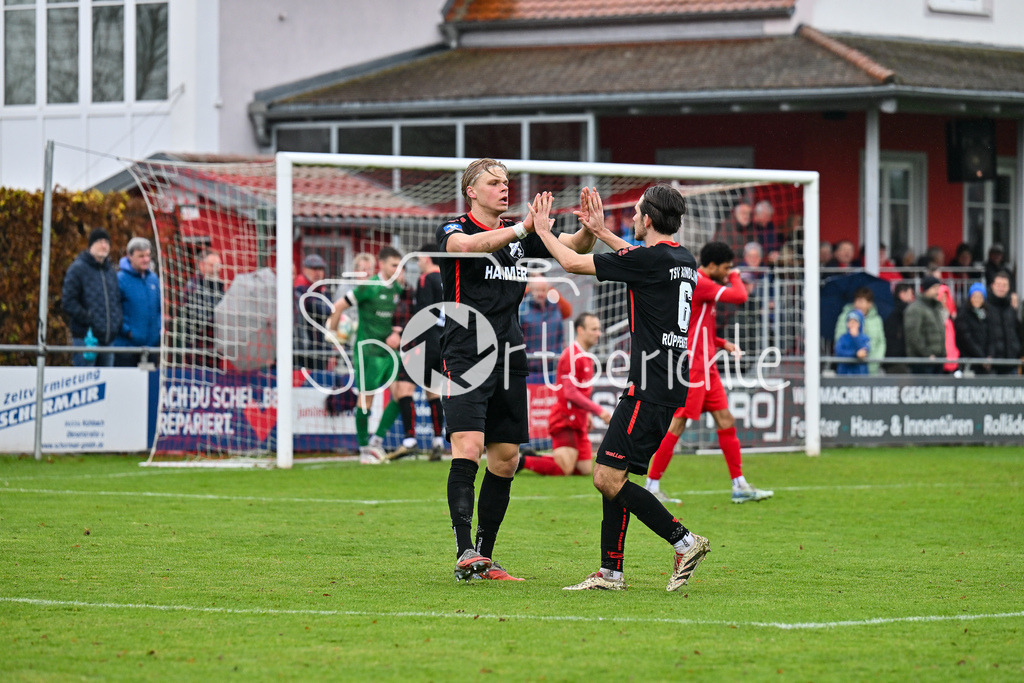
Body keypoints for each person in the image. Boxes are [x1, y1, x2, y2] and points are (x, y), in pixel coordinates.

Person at [532, 184, 711, 593]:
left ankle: (684, 541)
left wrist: (543, 230)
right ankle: (610, 572)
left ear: (647, 219)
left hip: (648, 384)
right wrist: (601, 230)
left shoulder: (650, 260)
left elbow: (573, 263)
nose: (630, 218)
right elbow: (641, 257)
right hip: (669, 382)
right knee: (616, 472)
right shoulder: (683, 258)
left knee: (605, 477)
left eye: (635, 213)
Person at [436, 158, 598, 583]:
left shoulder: (520, 236)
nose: (503, 188)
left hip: (510, 353)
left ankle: (484, 559)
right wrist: (526, 228)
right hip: (466, 354)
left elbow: (574, 249)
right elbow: (466, 249)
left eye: (506, 182)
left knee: (506, 460)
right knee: (468, 446)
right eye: (493, 183)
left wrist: (590, 227)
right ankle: (463, 550)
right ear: (472, 191)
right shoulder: (455, 228)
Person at [644, 241, 773, 506]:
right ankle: (652, 485)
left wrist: (722, 343)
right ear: (711, 266)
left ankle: (739, 485)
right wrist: (736, 274)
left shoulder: (703, 283)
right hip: (693, 366)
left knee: (725, 419)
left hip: (708, 365)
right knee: (678, 423)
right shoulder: (700, 282)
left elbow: (697, 326)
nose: (728, 273)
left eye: (729, 270)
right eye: (725, 268)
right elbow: (740, 296)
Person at [326, 246, 404, 464]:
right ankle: (363, 449)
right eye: (394, 265)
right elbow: (338, 306)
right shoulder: (368, 287)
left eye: (400, 265)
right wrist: (333, 333)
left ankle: (376, 442)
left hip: (389, 352)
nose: (398, 269)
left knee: (401, 394)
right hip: (368, 352)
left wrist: (397, 331)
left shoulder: (397, 288)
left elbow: (399, 317)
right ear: (382, 265)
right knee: (366, 400)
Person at [520, 312, 612, 476]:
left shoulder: (587, 357)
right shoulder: (571, 355)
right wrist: (598, 411)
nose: (598, 333)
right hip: (565, 418)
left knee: (584, 469)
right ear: (580, 330)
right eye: (594, 329)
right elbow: (569, 393)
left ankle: (536, 457)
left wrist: (587, 414)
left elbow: (581, 391)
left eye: (599, 329)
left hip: (579, 419)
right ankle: (524, 461)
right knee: (566, 469)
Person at [386, 245, 449, 461]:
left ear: (427, 258)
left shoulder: (425, 279)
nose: (418, 262)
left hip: (424, 342)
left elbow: (424, 314)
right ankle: (438, 441)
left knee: (403, 388)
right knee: (433, 391)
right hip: (443, 341)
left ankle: (410, 440)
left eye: (420, 258)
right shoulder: (448, 278)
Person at [61, 228, 123, 367]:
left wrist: (116, 323)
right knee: (85, 382)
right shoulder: (77, 269)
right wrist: (89, 319)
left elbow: (116, 301)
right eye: (99, 241)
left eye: (106, 242)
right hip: (86, 338)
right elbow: (68, 302)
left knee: (107, 384)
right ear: (90, 245)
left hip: (108, 340)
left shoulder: (111, 272)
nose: (104, 245)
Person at [113, 237, 161, 367]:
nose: (146, 259)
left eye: (147, 255)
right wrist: (128, 331)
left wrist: (158, 329)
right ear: (130, 256)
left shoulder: (153, 279)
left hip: (150, 347)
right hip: (126, 347)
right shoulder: (120, 279)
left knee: (149, 385)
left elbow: (159, 309)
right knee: (127, 385)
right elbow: (113, 311)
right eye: (141, 256)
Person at [182, 249, 224, 367]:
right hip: (197, 348)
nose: (217, 269)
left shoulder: (220, 288)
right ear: (201, 266)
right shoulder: (193, 288)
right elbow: (200, 319)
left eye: (219, 265)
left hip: (215, 347)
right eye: (212, 265)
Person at [519, 273, 566, 380]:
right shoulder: (522, 310)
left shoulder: (556, 308)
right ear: (530, 290)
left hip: (553, 369)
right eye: (537, 290)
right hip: (530, 370)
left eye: (543, 290)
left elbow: (560, 335)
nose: (540, 294)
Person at [294, 253, 334, 371]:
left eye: (320, 269)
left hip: (322, 348)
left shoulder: (322, 290)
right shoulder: (300, 289)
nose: (318, 273)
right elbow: (324, 310)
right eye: (314, 269)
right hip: (305, 349)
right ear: (304, 269)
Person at [833, 287, 885, 373]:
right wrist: (854, 355)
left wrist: (875, 362)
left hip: (872, 367)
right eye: (856, 301)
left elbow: (881, 342)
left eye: (861, 301)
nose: (858, 304)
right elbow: (839, 341)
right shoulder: (845, 317)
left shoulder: (877, 320)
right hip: (848, 368)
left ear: (870, 304)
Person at [904, 275, 947, 374]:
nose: (937, 291)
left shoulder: (935, 307)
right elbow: (913, 335)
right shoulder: (915, 308)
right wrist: (927, 354)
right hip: (922, 362)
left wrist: (942, 354)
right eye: (934, 288)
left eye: (938, 288)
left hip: (937, 359)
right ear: (927, 289)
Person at [987, 271, 1022, 374]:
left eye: (1004, 285)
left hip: (1011, 362)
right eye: (998, 285)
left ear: (1009, 288)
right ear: (992, 286)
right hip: (991, 363)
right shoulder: (985, 307)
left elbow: (1017, 331)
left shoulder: (1011, 309)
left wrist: (1018, 352)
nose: (1001, 288)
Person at [955, 282, 993, 374]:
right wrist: (981, 357)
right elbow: (966, 339)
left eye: (980, 297)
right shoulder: (963, 314)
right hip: (969, 361)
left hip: (985, 362)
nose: (977, 299)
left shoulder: (987, 314)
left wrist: (989, 355)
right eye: (974, 296)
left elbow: (991, 337)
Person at [883, 283, 915, 373]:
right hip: (898, 358)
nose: (913, 297)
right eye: (910, 293)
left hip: (892, 358)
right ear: (902, 294)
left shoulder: (889, 309)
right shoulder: (903, 312)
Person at [834, 309, 870, 375]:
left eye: (855, 322)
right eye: (850, 322)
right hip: (844, 374)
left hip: (860, 374)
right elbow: (839, 352)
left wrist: (856, 337)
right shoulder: (842, 338)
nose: (852, 325)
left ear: (860, 324)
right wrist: (855, 354)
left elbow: (864, 351)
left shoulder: (865, 338)